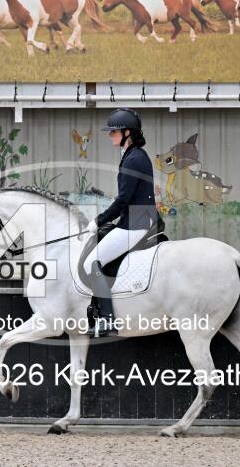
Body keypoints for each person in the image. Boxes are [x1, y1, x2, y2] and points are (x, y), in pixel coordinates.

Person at [83, 108, 158, 337]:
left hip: (135, 222)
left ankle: (107, 319)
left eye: (114, 132)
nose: (110, 135)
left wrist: (99, 220)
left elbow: (123, 199)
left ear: (127, 133)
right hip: (138, 218)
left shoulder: (133, 159)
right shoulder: (134, 155)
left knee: (92, 262)